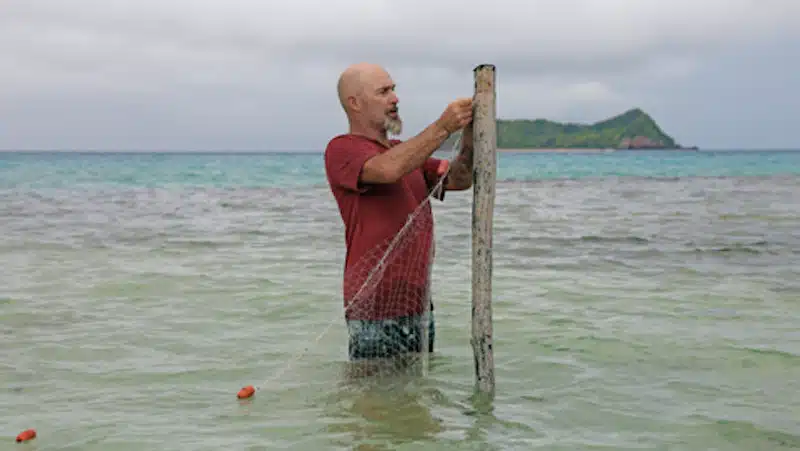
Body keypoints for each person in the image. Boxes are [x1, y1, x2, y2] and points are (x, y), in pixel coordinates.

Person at [324, 62, 475, 361]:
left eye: (394, 89)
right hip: (374, 308)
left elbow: (460, 179)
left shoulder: (406, 153)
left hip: (417, 302)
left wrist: (471, 131)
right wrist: (443, 126)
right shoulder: (342, 149)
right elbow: (388, 169)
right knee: (374, 400)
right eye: (383, 91)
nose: (395, 98)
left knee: (414, 400)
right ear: (355, 103)